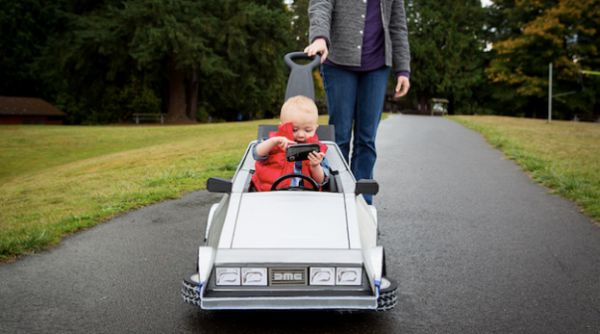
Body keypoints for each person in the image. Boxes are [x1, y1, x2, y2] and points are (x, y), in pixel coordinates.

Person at [304, 0, 411, 204]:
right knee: (340, 136)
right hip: (339, 62)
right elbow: (320, 4)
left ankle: (362, 204)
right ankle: (335, 199)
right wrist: (319, 37)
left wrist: (403, 69)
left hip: (377, 66)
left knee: (366, 139)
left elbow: (398, 25)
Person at [252, 95, 329, 192]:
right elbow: (256, 154)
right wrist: (273, 141)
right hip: (271, 194)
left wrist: (315, 166)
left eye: (308, 130)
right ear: (282, 126)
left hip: (306, 196)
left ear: (315, 128)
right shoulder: (273, 142)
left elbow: (321, 180)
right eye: (294, 129)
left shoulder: (318, 151)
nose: (301, 135)